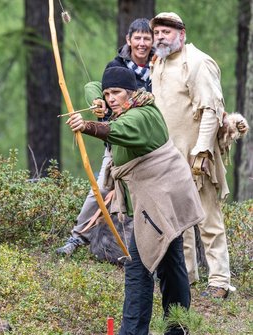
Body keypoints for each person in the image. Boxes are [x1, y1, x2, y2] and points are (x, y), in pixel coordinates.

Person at [66, 66, 205, 335]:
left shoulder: (142, 115)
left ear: (133, 92)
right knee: (171, 263)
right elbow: (92, 85)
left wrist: (87, 126)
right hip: (164, 197)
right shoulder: (123, 106)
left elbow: (118, 130)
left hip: (162, 199)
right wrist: (98, 99)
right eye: (107, 94)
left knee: (138, 269)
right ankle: (178, 328)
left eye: (116, 92)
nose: (111, 99)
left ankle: (133, 332)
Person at [150, 12, 233, 299]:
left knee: (208, 218)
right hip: (168, 157)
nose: (160, 37)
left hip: (197, 156)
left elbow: (211, 109)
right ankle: (187, 275)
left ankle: (220, 281)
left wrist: (202, 149)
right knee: (179, 220)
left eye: (166, 32)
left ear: (181, 34)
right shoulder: (157, 63)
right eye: (157, 32)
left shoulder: (197, 63)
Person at [57, 18, 154, 257]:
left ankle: (151, 247)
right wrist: (98, 102)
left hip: (149, 147)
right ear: (128, 40)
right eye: (137, 38)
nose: (142, 43)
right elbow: (95, 86)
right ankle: (78, 236)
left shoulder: (161, 65)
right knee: (100, 189)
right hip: (117, 144)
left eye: (147, 38)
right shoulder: (117, 64)